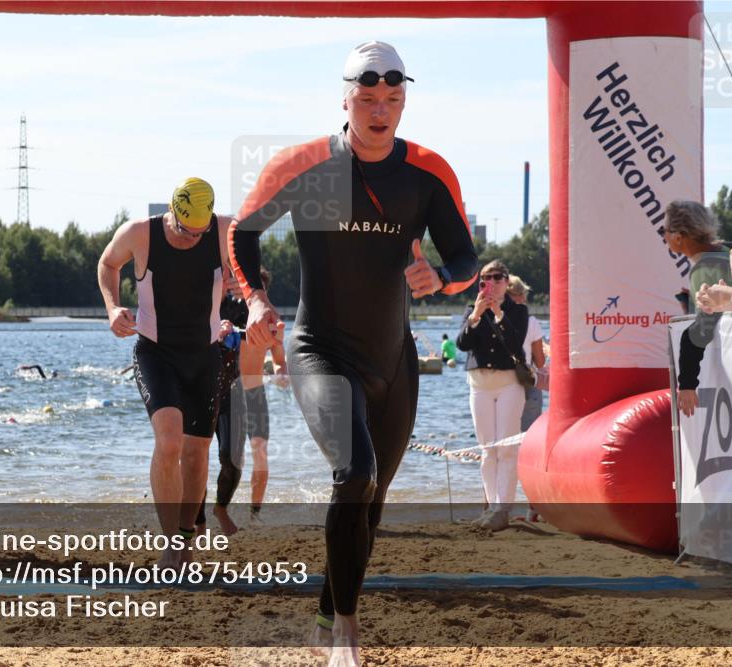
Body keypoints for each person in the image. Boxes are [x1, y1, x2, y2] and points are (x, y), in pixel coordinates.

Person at [229, 41, 478, 666]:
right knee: (355, 473)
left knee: (372, 501)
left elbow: (465, 259)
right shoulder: (306, 165)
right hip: (320, 351)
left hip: (394, 361)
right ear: (346, 101)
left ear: (404, 102)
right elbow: (242, 231)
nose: (380, 109)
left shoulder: (428, 172)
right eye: (368, 98)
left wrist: (442, 278)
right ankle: (346, 634)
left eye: (392, 98)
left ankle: (325, 610)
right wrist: (255, 301)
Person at [98, 177, 235, 570]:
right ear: (172, 212)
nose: (193, 238)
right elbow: (108, 264)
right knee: (170, 440)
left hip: (205, 356)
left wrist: (244, 284)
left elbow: (251, 264)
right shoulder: (140, 233)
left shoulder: (225, 229)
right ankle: (172, 543)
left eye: (200, 232)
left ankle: (186, 540)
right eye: (186, 230)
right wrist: (113, 307)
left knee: (196, 453)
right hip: (155, 353)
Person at [211, 267, 287, 535]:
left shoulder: (269, 322)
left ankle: (255, 514)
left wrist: (281, 373)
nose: (253, 296)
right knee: (227, 455)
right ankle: (209, 510)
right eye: (248, 289)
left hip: (254, 394)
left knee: (260, 455)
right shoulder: (228, 312)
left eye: (259, 291)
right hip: (224, 392)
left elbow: (279, 360)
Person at [456, 260, 529, 532]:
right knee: (487, 449)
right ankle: (491, 507)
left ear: (507, 282)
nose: (492, 283)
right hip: (479, 384)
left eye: (498, 278)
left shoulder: (518, 311)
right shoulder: (471, 309)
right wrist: (476, 316)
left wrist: (498, 312)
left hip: (509, 383)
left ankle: (502, 509)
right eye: (486, 278)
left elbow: (515, 343)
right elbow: (462, 344)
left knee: (507, 448)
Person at [677, 237, 732, 417]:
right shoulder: (721, 303)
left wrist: (731, 296)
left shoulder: (727, 298)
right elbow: (692, 336)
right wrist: (687, 384)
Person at [664, 200, 732, 310]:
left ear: (678, 238)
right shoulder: (727, 249)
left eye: (663, 230)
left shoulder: (701, 272)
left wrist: (689, 311)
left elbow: (707, 320)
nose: (664, 236)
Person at [506, 276, 546, 431]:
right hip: (525, 380)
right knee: (527, 435)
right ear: (520, 296)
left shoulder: (492, 319)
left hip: (498, 380)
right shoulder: (531, 322)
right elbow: (540, 362)